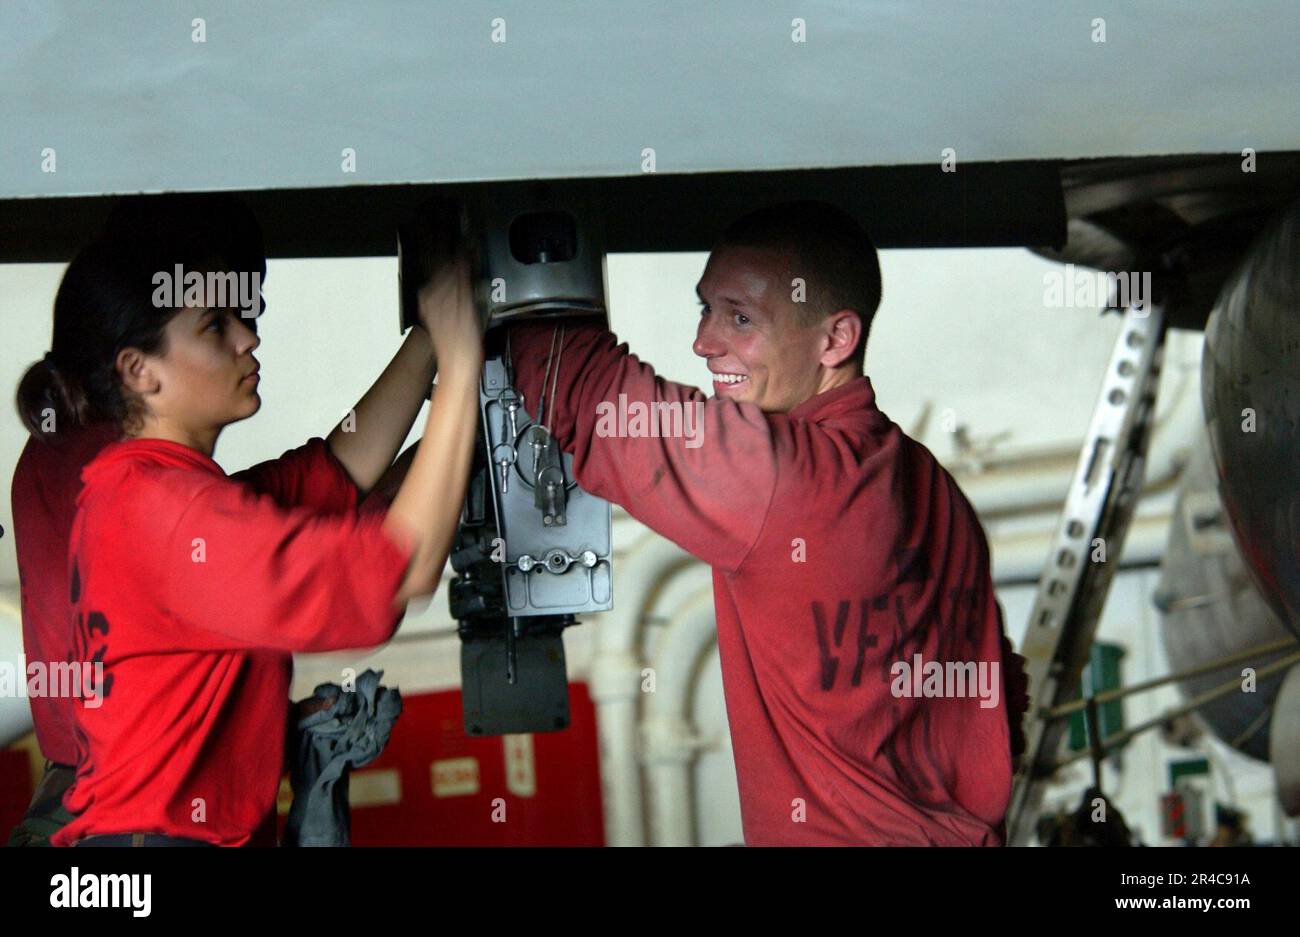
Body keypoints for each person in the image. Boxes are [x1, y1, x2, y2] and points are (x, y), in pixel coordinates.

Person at [493, 200, 1029, 845]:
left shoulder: (785, 477)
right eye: (706, 309)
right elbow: (1001, 697)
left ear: (836, 340)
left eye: (741, 319)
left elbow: (576, 385)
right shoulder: (932, 484)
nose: (704, 343)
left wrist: (484, 283)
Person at [11, 201, 482, 847]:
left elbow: (339, 468)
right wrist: (460, 365)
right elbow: (398, 572)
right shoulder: (168, 513)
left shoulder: (146, 487)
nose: (248, 337)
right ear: (139, 370)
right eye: (214, 325)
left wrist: (433, 332)